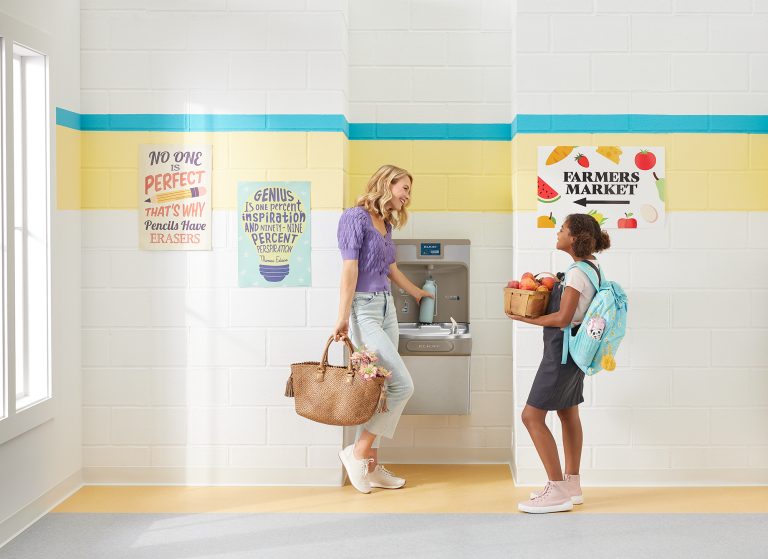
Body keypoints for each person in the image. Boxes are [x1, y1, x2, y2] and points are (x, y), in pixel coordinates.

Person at [333, 164, 433, 494]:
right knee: (403, 385)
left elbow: (390, 267)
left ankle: (371, 469)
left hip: (387, 307)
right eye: (404, 188)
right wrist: (342, 316)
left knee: (381, 390)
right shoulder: (355, 217)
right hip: (363, 310)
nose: (408, 195)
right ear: (387, 185)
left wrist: (415, 292)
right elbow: (350, 270)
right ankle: (357, 452)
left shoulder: (385, 223)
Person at [507, 213, 611, 513]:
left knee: (531, 416)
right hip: (577, 353)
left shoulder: (578, 272)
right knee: (568, 414)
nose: (558, 232)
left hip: (562, 354)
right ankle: (572, 483)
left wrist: (525, 317)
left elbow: (564, 318)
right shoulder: (593, 268)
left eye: (563, 229)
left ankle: (556, 490)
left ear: (575, 238)